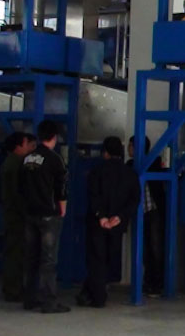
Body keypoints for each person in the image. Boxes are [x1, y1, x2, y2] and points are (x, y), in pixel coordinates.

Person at [77, 136, 140, 308]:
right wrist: (119, 217)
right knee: (109, 258)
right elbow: (134, 199)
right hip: (117, 224)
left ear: (105, 152)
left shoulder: (97, 171)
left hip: (97, 223)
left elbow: (93, 196)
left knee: (96, 259)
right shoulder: (130, 173)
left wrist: (101, 216)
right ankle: (94, 290)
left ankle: (97, 296)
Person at [21, 120, 69, 313]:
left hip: (29, 213)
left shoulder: (27, 158)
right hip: (48, 215)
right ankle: (49, 302)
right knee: (48, 260)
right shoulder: (55, 159)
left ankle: (29, 299)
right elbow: (61, 187)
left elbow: (20, 186)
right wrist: (62, 208)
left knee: (31, 257)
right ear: (54, 137)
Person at [127, 136, 166, 297]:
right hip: (140, 211)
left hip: (153, 210)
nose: (128, 148)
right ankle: (148, 282)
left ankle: (157, 283)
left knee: (155, 249)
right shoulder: (130, 165)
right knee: (144, 250)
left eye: (131, 145)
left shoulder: (154, 162)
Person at [0, 132, 36, 302]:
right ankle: (13, 290)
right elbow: (17, 193)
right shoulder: (16, 164)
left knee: (14, 252)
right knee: (15, 253)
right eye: (28, 144)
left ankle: (12, 288)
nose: (30, 148)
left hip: (12, 214)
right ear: (19, 145)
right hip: (16, 216)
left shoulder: (11, 162)